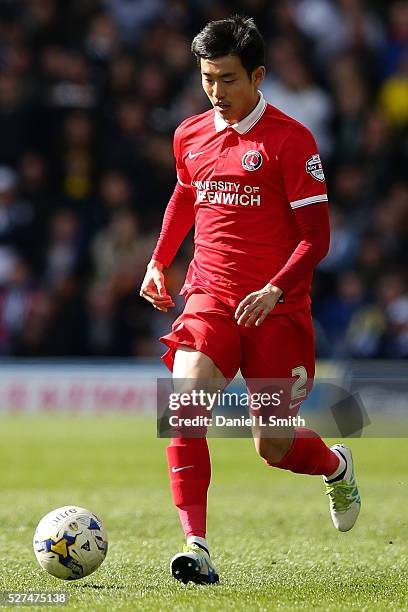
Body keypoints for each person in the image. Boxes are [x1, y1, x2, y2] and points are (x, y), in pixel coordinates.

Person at [140, 15, 360, 585]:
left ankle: (336, 465)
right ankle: (196, 545)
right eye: (208, 78)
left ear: (258, 75)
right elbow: (185, 197)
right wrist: (159, 261)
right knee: (183, 403)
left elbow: (317, 238)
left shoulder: (292, 140)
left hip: (277, 310)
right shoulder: (190, 133)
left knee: (275, 446)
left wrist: (274, 288)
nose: (217, 92)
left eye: (229, 80)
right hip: (210, 295)